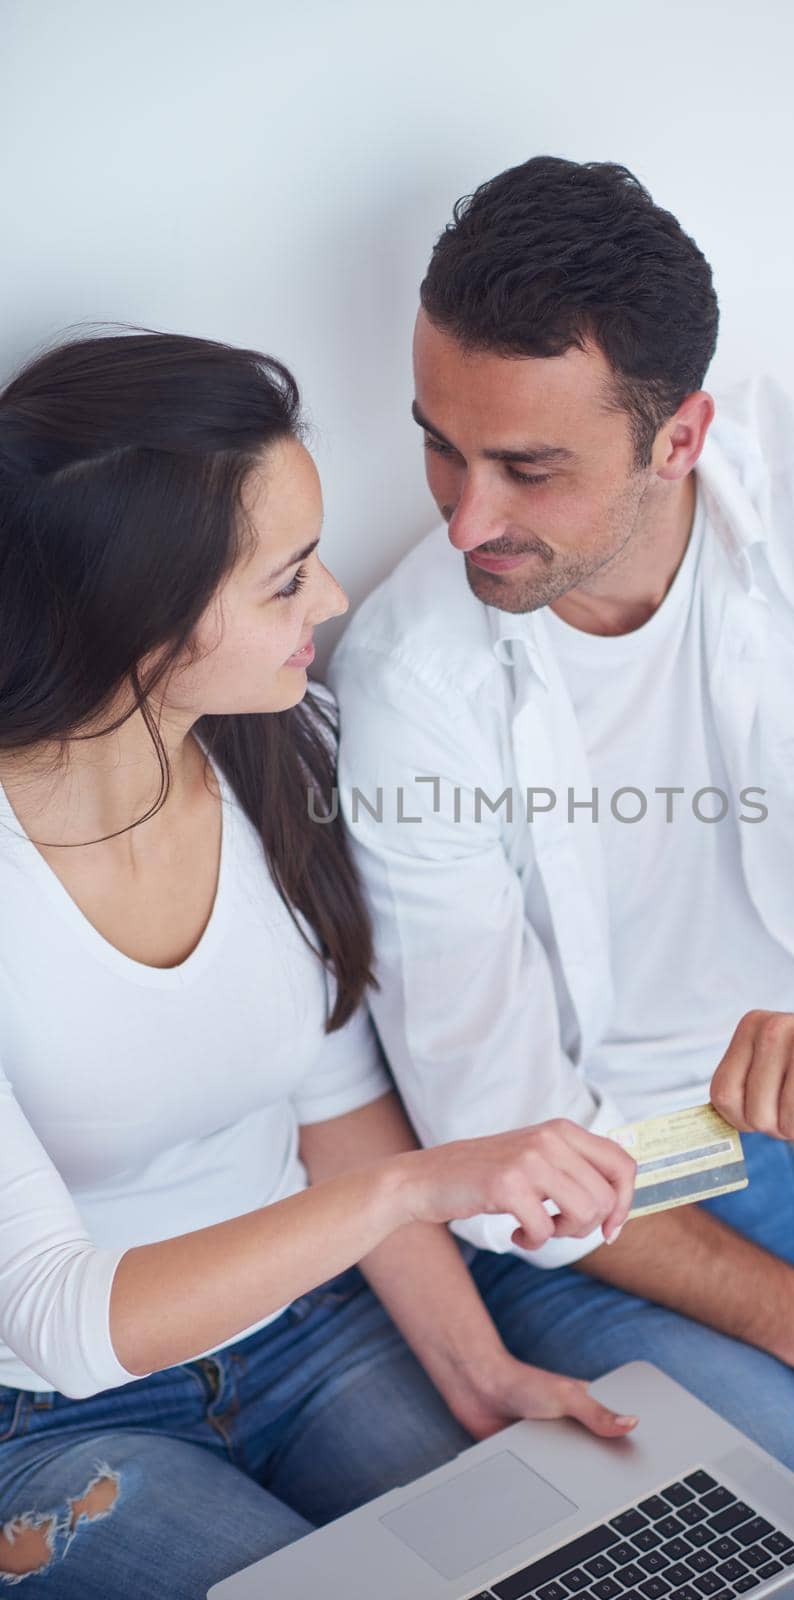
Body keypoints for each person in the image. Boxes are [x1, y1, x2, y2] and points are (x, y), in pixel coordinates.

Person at [329, 157, 794, 1600]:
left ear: (681, 436)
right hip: (636, 1204)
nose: (467, 519)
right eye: (438, 447)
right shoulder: (412, 680)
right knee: (791, 1558)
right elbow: (499, 1153)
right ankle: (764, 1365)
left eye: (529, 468)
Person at [0, 328, 640, 1599]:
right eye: (287, 580)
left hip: (308, 1333)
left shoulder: (274, 747)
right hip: (53, 1424)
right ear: (146, 617)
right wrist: (414, 1189)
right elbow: (63, 1322)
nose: (334, 600)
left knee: (572, 1570)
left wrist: (477, 1372)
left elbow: (335, 1100)